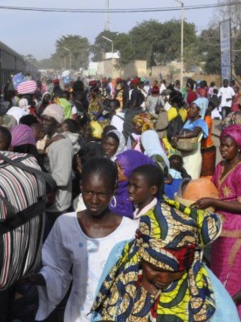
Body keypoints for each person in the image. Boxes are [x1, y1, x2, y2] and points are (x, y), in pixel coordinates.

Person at [29, 157, 139, 322]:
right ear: (80, 186)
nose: (94, 200)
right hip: (76, 315)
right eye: (88, 192)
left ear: (114, 190)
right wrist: (36, 278)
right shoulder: (66, 224)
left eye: (101, 193)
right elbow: (56, 269)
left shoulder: (130, 232)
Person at [92, 199, 238, 321]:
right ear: (141, 254)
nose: (163, 278)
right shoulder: (121, 257)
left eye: (174, 271)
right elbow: (100, 310)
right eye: (155, 268)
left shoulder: (203, 287)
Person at [193, 124, 241, 319]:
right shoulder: (221, 166)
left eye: (228, 146)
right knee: (218, 278)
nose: (223, 149)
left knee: (230, 281)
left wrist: (212, 201)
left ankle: (230, 316)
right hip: (221, 228)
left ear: (239, 147)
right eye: (222, 145)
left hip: (238, 231)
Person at [41, 104, 74, 232]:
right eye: (42, 119)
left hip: (57, 205)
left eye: (47, 120)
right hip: (49, 202)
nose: (43, 123)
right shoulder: (49, 139)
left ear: (57, 123)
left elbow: (62, 179)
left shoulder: (62, 145)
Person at [112, 150, 156, 219]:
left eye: (121, 168)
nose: (116, 170)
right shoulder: (115, 183)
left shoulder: (130, 195)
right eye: (116, 165)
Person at [172, 102, 208, 179]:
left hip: (193, 156)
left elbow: (194, 133)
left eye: (193, 108)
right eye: (189, 108)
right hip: (184, 154)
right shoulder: (188, 121)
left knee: (190, 180)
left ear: (199, 110)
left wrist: (178, 136)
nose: (189, 110)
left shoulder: (201, 122)